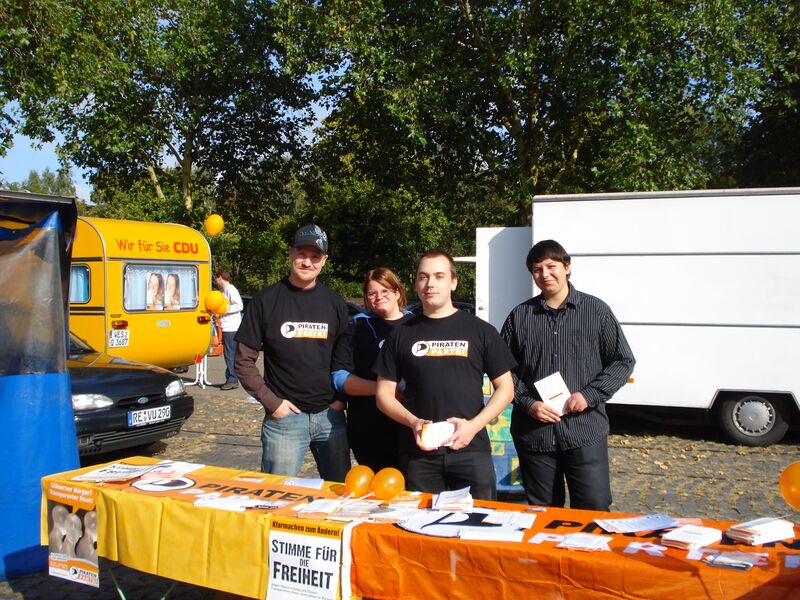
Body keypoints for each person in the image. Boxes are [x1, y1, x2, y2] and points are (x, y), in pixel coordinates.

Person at [500, 239, 635, 511]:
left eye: (552, 266)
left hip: (584, 429)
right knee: (543, 513)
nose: (545, 274)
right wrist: (528, 403)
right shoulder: (519, 317)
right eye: (537, 269)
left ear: (567, 267)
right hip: (535, 434)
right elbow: (503, 371)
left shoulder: (597, 311)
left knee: (594, 509)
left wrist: (589, 395)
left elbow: (622, 360)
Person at [374, 250, 516, 500]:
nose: (430, 283)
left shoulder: (481, 331)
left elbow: (506, 389)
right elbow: (383, 395)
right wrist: (413, 422)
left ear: (453, 282)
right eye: (423, 276)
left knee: (480, 525)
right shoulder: (400, 335)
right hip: (419, 453)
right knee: (420, 529)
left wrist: (474, 426)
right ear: (416, 283)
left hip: (471, 449)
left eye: (439, 276)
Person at [234, 224, 351, 481]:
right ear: (290, 253)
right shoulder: (266, 301)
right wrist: (271, 402)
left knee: (340, 496)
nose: (307, 262)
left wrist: (340, 400)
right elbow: (243, 361)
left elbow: (344, 357)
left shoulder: (335, 303)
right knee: (277, 499)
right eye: (302, 254)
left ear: (324, 261)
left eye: (315, 257)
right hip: (284, 421)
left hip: (329, 417)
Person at [331, 267, 413, 472]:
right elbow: (339, 378)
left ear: (397, 292)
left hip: (410, 427)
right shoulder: (356, 328)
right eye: (372, 293)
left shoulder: (417, 325)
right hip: (369, 427)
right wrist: (383, 390)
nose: (379, 297)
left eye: (385, 291)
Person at [213, 267, 243, 390]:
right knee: (230, 354)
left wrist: (225, 310)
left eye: (216, 278)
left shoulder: (230, 289)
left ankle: (232, 379)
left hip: (231, 327)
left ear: (220, 277)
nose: (215, 280)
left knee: (230, 354)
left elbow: (239, 305)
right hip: (228, 326)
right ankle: (231, 377)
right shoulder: (224, 290)